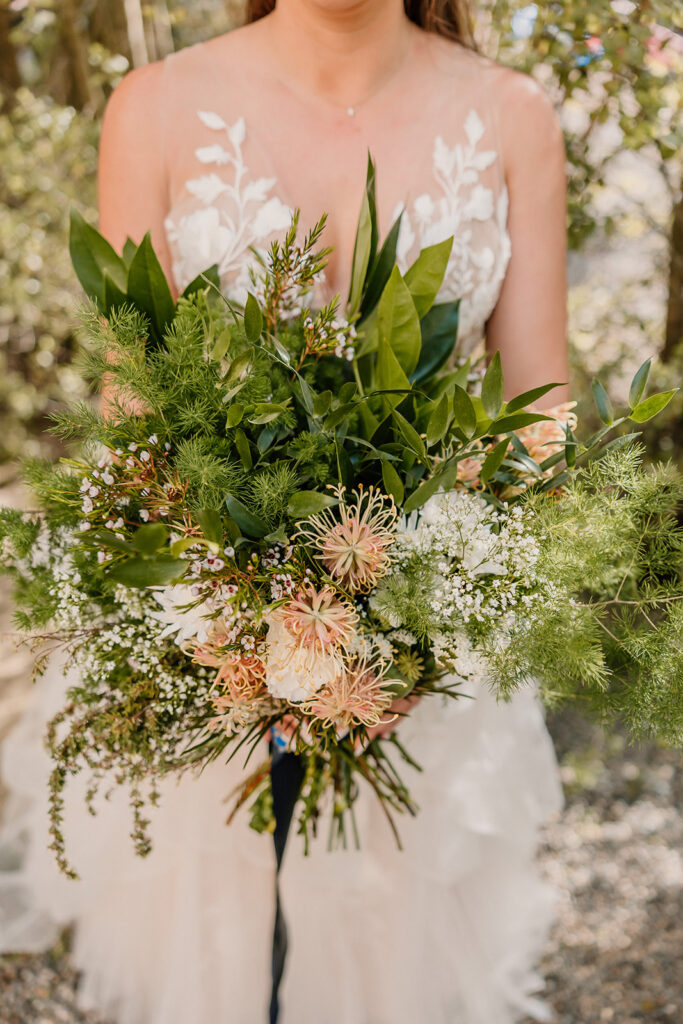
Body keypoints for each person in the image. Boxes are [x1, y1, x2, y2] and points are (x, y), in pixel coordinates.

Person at [0, 2, 568, 1022]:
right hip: (205, 649)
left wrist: (424, 627)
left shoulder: (512, 113)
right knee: (222, 972)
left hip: (426, 658)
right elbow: (135, 413)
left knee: (396, 972)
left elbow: (541, 408)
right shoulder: (157, 107)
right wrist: (226, 622)